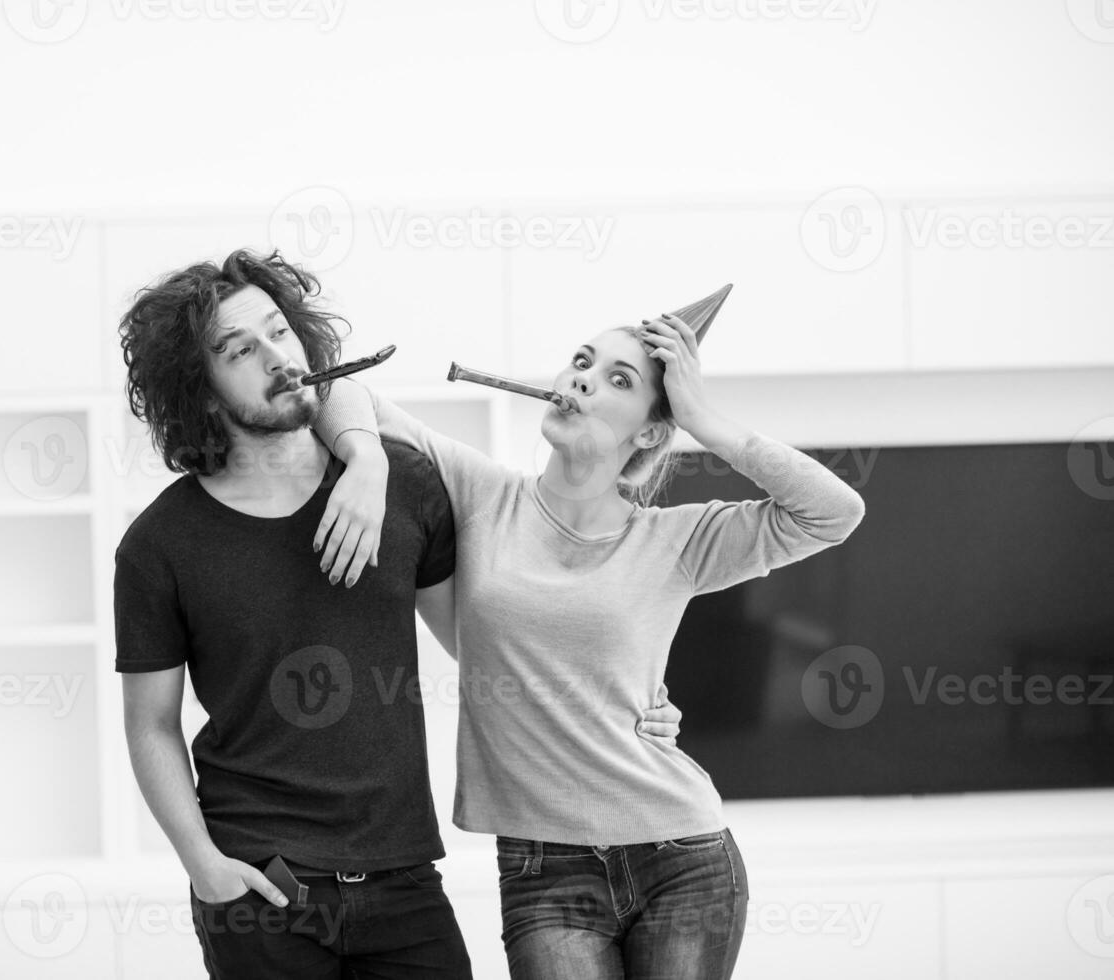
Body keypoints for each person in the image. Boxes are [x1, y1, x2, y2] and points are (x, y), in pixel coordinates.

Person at [312, 306, 867, 979]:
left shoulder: (675, 540)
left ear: (653, 430)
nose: (581, 381)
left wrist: (703, 420)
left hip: (681, 857)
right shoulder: (483, 494)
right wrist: (366, 458)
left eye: (617, 379)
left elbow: (834, 512)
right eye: (580, 362)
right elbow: (337, 389)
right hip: (543, 868)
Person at [113, 247, 478, 979]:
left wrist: (628, 697)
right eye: (237, 350)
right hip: (259, 885)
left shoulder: (398, 484)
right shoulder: (158, 546)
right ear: (200, 386)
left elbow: (483, 648)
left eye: (279, 332)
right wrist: (204, 867)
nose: (275, 357)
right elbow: (150, 724)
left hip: (402, 874)